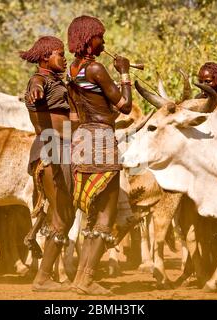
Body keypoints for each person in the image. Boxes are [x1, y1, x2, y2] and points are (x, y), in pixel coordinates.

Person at [66, 15, 132, 295]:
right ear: (87, 38)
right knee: (106, 215)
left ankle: (80, 279)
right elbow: (126, 106)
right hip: (102, 142)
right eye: (99, 37)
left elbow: (82, 112)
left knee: (92, 215)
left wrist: (108, 114)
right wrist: (125, 73)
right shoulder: (95, 68)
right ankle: (88, 278)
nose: (103, 42)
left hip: (82, 140)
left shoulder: (72, 70)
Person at [19, 36, 75, 292]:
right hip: (51, 149)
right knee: (60, 216)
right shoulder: (39, 80)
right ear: (44, 58)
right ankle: (42, 278)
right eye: (59, 54)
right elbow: (35, 87)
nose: (64, 58)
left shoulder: (56, 81)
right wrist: (36, 91)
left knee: (67, 215)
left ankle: (45, 275)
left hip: (65, 148)